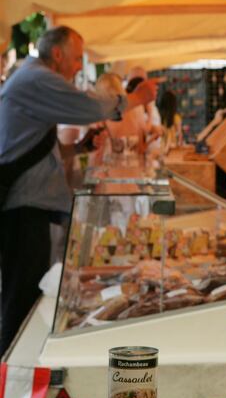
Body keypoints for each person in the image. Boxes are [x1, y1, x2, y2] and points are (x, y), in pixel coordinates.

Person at [0, 25, 159, 355]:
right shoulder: (35, 77)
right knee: (22, 296)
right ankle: (13, 371)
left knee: (25, 291)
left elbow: (37, 148)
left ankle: (18, 361)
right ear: (57, 54)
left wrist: (79, 147)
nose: (77, 68)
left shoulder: (31, 78)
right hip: (23, 209)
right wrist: (136, 98)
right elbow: (88, 106)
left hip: (30, 206)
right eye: (75, 59)